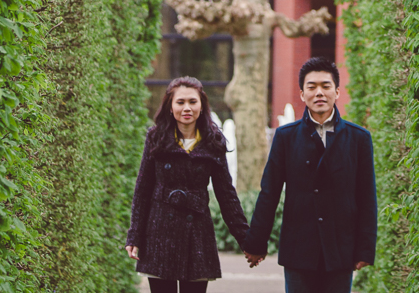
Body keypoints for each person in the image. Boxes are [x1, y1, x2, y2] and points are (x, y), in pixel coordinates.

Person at [242, 57, 377, 293]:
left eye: (325, 86)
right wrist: (256, 243)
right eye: (311, 87)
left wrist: (365, 248)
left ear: (336, 91)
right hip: (299, 248)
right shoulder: (285, 136)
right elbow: (269, 192)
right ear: (302, 94)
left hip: (340, 249)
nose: (319, 93)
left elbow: (367, 196)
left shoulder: (359, 138)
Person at [127, 76, 252, 293]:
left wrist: (246, 240)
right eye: (180, 102)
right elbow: (142, 189)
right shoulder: (156, 138)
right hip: (160, 232)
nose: (187, 108)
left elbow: (226, 195)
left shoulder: (214, 142)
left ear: (202, 105)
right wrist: (134, 235)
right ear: (170, 106)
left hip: (197, 232)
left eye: (193, 102)